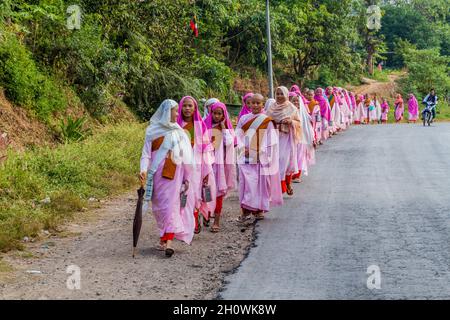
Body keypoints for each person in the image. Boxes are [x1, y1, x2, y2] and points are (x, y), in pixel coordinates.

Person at [139, 99, 195, 258]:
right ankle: (164, 238)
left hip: (174, 174)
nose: (178, 114)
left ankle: (169, 241)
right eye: (175, 111)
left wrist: (187, 177)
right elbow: (145, 154)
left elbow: (186, 158)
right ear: (166, 112)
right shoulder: (152, 131)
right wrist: (143, 170)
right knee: (159, 208)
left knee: (171, 205)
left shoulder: (179, 132)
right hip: (156, 175)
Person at [236, 93, 283, 221]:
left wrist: (260, 152)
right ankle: (245, 211)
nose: (255, 105)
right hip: (245, 156)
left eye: (258, 103)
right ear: (249, 104)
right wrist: (242, 148)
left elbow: (271, 140)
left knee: (260, 185)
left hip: (260, 157)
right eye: (253, 103)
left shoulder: (267, 120)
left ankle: (259, 210)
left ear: (263, 104)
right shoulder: (243, 119)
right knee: (246, 184)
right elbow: (238, 135)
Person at [177, 96, 217, 234]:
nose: (187, 108)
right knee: (181, 194)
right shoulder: (176, 126)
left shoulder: (200, 125)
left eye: (190, 106)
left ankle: (193, 221)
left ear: (195, 108)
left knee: (193, 194)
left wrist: (206, 170)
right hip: (180, 167)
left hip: (197, 167)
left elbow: (206, 149)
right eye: (185, 106)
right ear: (180, 108)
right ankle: (184, 223)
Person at [204, 101, 236, 232]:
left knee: (218, 192)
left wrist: (223, 128)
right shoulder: (205, 125)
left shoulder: (226, 128)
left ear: (224, 114)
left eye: (219, 113)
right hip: (207, 162)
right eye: (214, 113)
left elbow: (230, 143)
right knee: (205, 189)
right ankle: (205, 214)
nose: (216, 116)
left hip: (220, 165)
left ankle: (216, 220)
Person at [266, 86, 302, 196]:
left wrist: (291, 121)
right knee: (274, 161)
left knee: (283, 160)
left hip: (286, 138)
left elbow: (298, 123)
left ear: (286, 95)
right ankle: (280, 186)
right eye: (277, 94)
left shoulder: (292, 108)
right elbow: (265, 121)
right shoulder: (271, 108)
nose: (279, 96)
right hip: (273, 137)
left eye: (282, 94)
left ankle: (285, 184)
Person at [290, 92, 315, 182]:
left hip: (301, 139)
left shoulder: (304, 114)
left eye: (297, 101)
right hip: (291, 138)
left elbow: (309, 128)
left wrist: (312, 139)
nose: (296, 103)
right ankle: (291, 174)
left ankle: (297, 175)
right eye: (293, 101)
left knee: (300, 157)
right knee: (292, 156)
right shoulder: (288, 112)